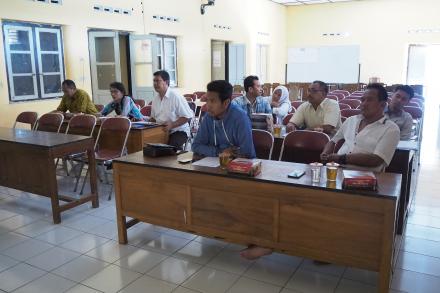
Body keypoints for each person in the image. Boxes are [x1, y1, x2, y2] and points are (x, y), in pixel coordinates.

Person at [320, 83, 400, 172]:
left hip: (366, 177)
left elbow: (376, 160)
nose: (363, 104)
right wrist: (325, 153)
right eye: (362, 100)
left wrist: (341, 158)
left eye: (369, 100)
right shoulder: (351, 120)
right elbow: (333, 141)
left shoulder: (391, 129)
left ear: (382, 105)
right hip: (338, 171)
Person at [192, 80, 256, 158]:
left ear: (226, 102)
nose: (208, 105)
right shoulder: (209, 117)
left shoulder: (240, 118)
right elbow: (196, 146)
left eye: (212, 101)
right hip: (213, 164)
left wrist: (211, 151)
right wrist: (220, 152)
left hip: (237, 167)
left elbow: (247, 153)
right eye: (207, 100)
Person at [150, 70, 194, 149]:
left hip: (178, 130)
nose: (155, 84)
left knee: (169, 148)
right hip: (161, 131)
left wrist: (172, 125)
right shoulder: (155, 99)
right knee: (148, 145)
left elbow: (186, 117)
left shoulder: (175, 96)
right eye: (154, 81)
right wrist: (146, 122)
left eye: (157, 81)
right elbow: (153, 118)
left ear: (166, 82)